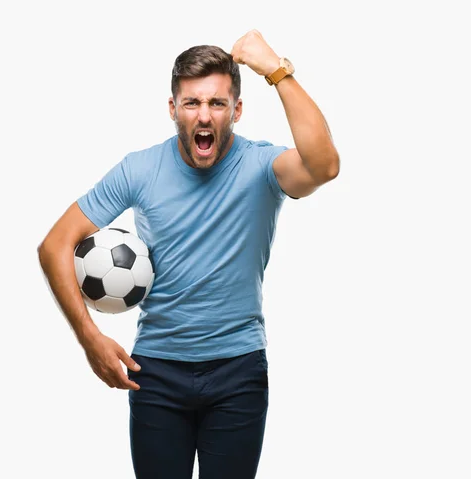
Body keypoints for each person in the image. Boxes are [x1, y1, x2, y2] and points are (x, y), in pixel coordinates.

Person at [38, 29, 339, 479]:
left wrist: (276, 70)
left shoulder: (262, 167)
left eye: (217, 103)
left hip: (238, 372)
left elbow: (324, 165)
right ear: (173, 109)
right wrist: (90, 339)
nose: (204, 115)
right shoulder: (139, 168)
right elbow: (55, 244)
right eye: (193, 103)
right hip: (155, 372)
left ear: (236, 110)